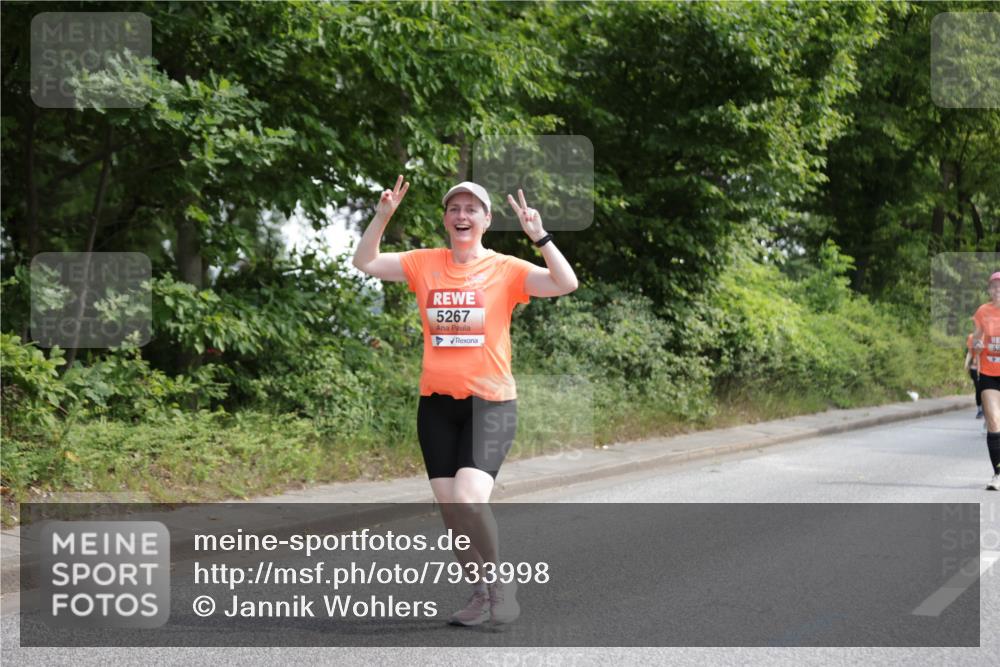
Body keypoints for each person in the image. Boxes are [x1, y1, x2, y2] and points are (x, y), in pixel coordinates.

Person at [352, 175, 579, 624]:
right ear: (445, 219)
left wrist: (540, 237)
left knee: (470, 499)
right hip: (436, 405)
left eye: (471, 209)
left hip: (491, 403)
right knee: (453, 514)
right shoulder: (424, 263)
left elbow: (565, 282)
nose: (461, 215)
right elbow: (366, 262)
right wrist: (381, 217)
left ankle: (499, 585)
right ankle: (479, 594)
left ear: (486, 220)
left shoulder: (506, 269)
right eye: (454, 208)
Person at [970, 271, 1000, 491]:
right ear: (989, 290)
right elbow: (975, 339)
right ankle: (998, 474)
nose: (998, 290)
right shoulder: (983, 311)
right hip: (989, 372)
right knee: (993, 422)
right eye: (994, 287)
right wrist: (977, 346)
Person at [965, 333, 983, 419]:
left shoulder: (990, 336)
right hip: (975, 368)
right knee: (978, 388)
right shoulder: (971, 337)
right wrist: (966, 364)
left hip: (987, 368)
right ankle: (980, 409)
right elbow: (970, 352)